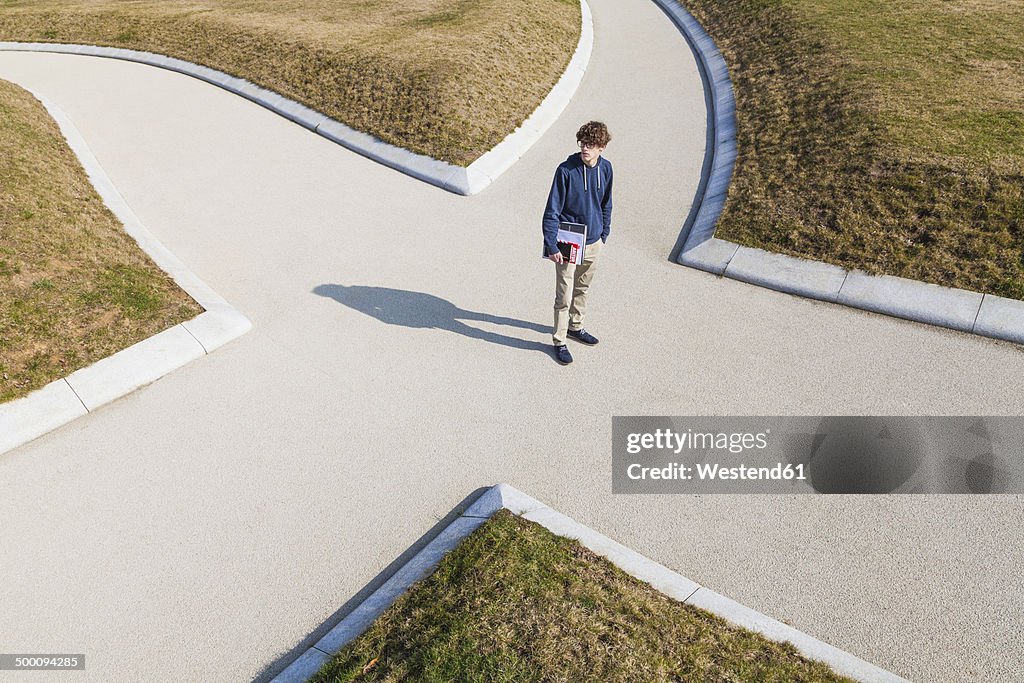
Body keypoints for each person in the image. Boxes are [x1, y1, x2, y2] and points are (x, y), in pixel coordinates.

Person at [541, 121, 613, 365]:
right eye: (583, 144)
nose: (585, 149)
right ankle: (559, 340)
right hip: (569, 242)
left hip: (594, 242)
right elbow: (552, 210)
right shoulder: (566, 171)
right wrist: (551, 244)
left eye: (591, 145)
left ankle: (576, 327)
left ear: (601, 148)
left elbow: (606, 204)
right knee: (564, 293)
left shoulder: (606, 169)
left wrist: (604, 234)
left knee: (582, 288)